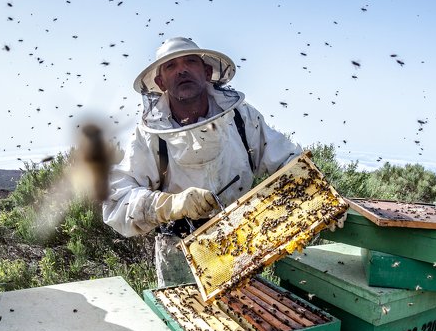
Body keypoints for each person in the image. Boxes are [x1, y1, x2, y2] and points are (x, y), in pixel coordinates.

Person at [102, 37, 301, 286]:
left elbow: (289, 161)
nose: (182, 70)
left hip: (240, 241)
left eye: (190, 62)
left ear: (207, 71)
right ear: (160, 81)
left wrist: (314, 194)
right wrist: (171, 205)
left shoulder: (242, 116)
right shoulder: (149, 135)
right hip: (179, 251)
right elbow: (117, 203)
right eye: (171, 66)